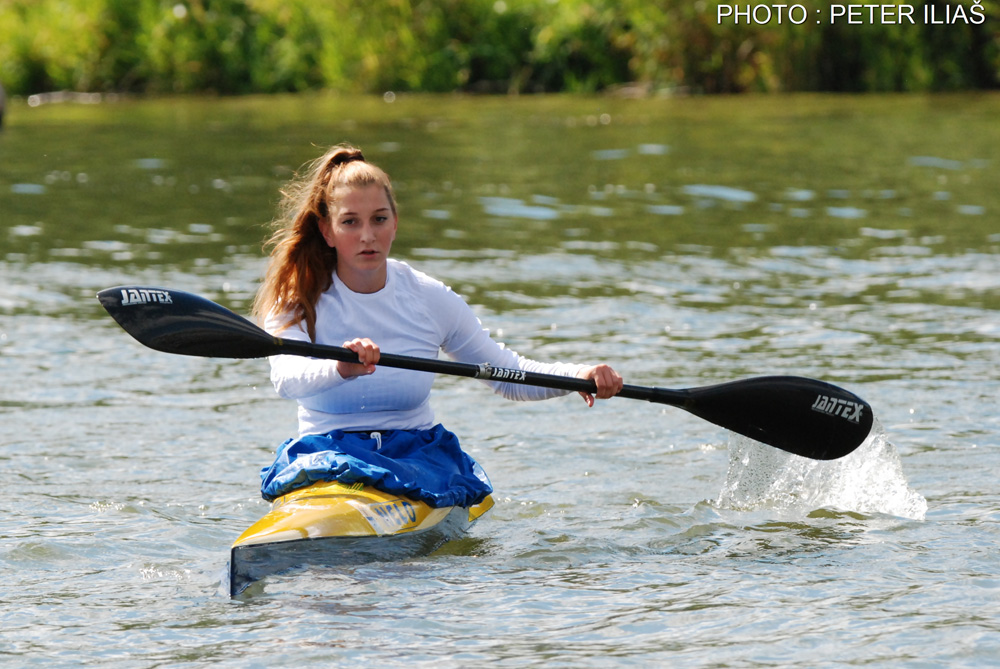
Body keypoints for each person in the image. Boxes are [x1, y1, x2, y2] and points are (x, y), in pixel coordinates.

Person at [251, 144, 624, 508]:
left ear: (395, 224)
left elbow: (505, 373)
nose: (368, 235)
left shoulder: (428, 297)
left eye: (379, 219)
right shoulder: (296, 298)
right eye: (350, 222)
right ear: (327, 231)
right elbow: (287, 378)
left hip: (415, 458)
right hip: (325, 455)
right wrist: (341, 367)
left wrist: (580, 374)